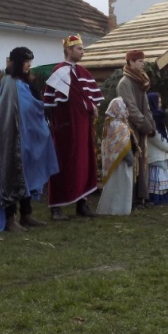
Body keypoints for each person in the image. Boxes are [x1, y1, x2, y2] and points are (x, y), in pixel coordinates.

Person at [0, 47, 58, 234]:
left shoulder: (25, 83)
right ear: (17, 62)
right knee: (11, 176)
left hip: (27, 137)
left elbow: (31, 107)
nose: (29, 65)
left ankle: (26, 214)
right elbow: (5, 113)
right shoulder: (8, 83)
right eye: (26, 61)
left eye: (30, 61)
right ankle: (9, 219)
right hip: (12, 137)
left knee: (27, 174)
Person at [42, 35, 103, 221]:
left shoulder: (83, 72)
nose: (83, 52)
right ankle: (56, 207)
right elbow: (54, 103)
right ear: (69, 50)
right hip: (66, 130)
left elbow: (88, 98)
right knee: (62, 164)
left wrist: (91, 107)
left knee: (84, 163)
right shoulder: (59, 71)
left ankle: (82, 204)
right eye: (79, 49)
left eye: (83, 49)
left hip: (83, 128)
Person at [116, 49, 156, 208]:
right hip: (131, 129)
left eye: (143, 61)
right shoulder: (125, 83)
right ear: (131, 62)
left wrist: (150, 124)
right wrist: (145, 125)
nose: (143, 64)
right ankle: (131, 199)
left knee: (142, 161)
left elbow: (146, 107)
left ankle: (142, 198)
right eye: (140, 61)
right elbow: (130, 107)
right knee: (133, 163)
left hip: (141, 128)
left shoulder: (141, 81)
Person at [96, 97, 135, 215]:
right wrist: (130, 157)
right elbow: (123, 144)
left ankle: (109, 208)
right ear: (119, 108)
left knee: (113, 185)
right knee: (122, 185)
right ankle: (121, 209)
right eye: (125, 108)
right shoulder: (120, 126)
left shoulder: (109, 123)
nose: (127, 111)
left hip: (112, 161)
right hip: (122, 162)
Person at [146, 92, 168, 205]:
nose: (160, 105)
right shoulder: (152, 120)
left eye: (160, 102)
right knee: (157, 178)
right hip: (155, 156)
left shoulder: (159, 118)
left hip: (160, 155)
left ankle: (162, 197)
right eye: (158, 102)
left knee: (161, 177)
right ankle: (156, 198)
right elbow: (158, 138)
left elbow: (165, 135)